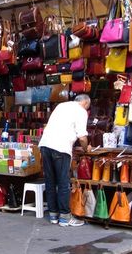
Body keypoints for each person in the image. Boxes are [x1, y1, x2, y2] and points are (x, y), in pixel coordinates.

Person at [38, 94, 91, 227]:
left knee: (50, 181)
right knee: (63, 183)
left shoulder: (61, 106)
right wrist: (86, 149)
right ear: (85, 103)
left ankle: (53, 215)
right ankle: (65, 217)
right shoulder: (81, 111)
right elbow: (82, 137)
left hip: (45, 145)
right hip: (61, 148)